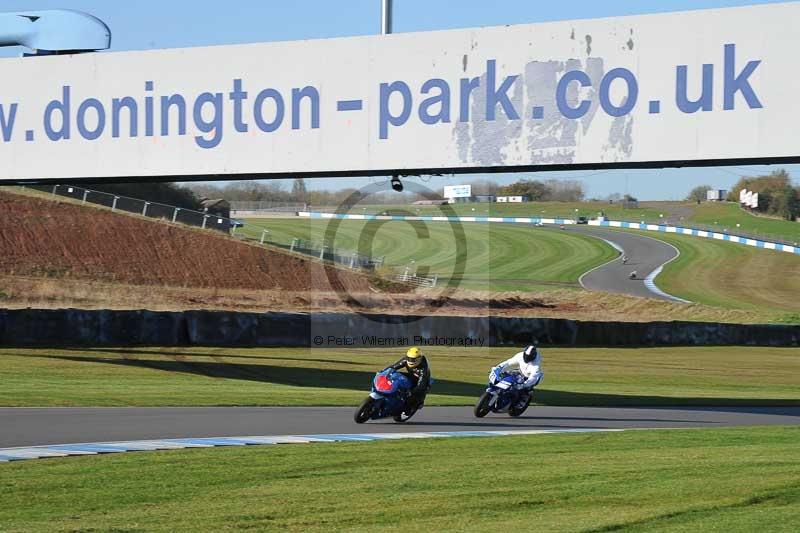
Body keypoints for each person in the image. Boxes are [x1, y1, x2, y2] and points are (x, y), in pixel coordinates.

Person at [385, 347, 431, 411]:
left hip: (422, 380)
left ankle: (418, 403)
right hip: (411, 375)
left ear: (419, 359)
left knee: (418, 392)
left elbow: (421, 384)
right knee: (395, 375)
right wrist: (384, 371)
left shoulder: (423, 369)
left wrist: (413, 392)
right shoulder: (406, 360)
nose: (410, 361)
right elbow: (394, 366)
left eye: (413, 359)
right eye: (408, 358)